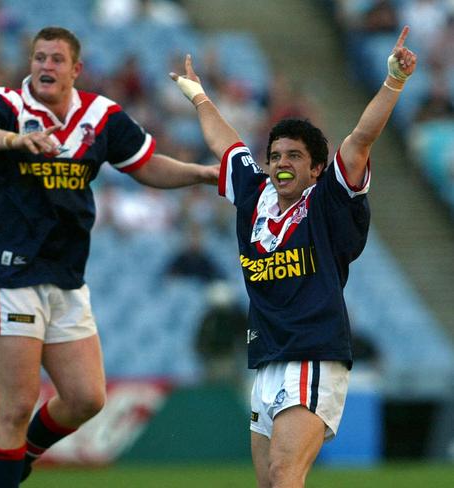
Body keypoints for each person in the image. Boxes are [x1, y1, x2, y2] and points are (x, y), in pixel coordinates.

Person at [0, 25, 218, 487]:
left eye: (56, 59)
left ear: (76, 69)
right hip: (10, 271)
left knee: (86, 397)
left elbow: (146, 164)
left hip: (66, 275)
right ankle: (5, 472)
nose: (45, 67)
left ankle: (15, 459)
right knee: (17, 403)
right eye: (39, 58)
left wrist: (199, 173)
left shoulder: (101, 115)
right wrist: (15, 140)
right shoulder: (9, 106)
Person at [170, 27, 416, 488]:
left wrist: (393, 82)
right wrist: (200, 96)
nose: (281, 162)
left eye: (294, 156)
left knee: (285, 476)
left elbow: (360, 139)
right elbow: (225, 144)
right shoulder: (253, 193)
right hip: (266, 356)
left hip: (315, 353)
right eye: (275, 154)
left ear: (317, 168)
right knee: (270, 484)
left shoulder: (327, 200)